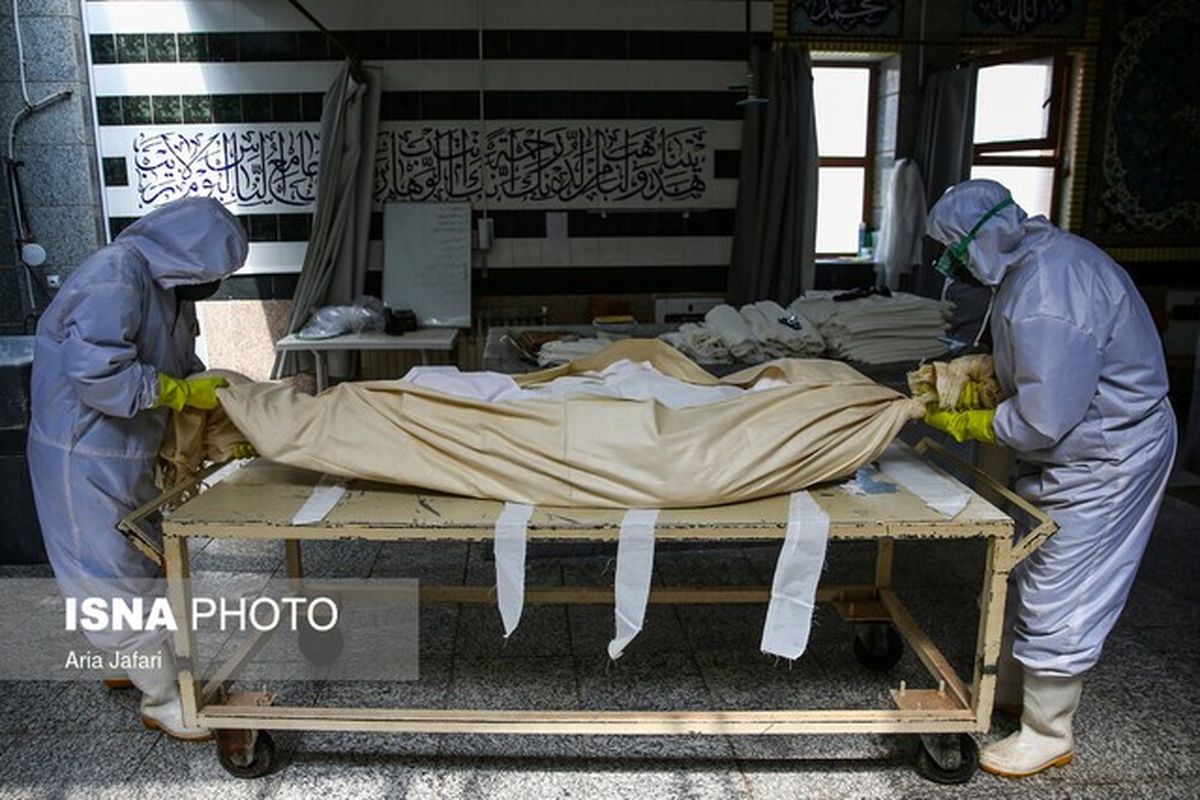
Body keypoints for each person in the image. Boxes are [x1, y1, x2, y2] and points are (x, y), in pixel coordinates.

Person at [922, 179, 1177, 778]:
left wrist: (974, 419)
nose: (952, 265)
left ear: (980, 240)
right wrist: (988, 373)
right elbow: (1045, 371)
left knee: (1065, 584)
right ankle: (1015, 689)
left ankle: (1048, 732)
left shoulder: (1048, 292)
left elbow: (1043, 418)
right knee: (1032, 565)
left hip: (1110, 455)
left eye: (955, 252)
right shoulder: (1037, 265)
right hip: (1078, 446)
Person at [28, 197, 249, 740]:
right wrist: (178, 393)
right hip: (83, 455)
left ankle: (131, 664)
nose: (212, 286)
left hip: (129, 450)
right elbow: (99, 375)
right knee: (110, 578)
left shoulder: (169, 288)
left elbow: (181, 361)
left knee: (142, 561)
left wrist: (215, 408)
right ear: (184, 255)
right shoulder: (114, 275)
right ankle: (164, 700)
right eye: (211, 275)